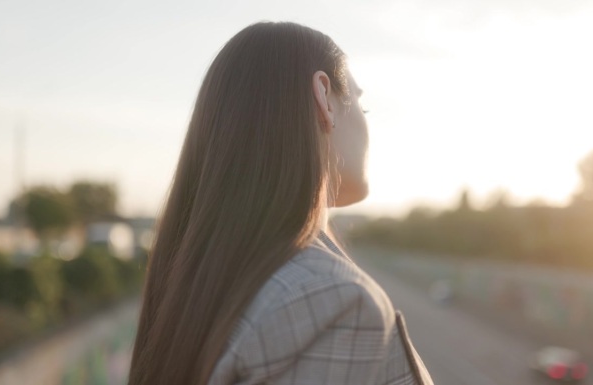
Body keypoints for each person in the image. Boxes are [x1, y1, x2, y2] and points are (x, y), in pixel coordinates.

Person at [128, 21, 434, 385]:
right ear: (323, 97)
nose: (367, 128)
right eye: (362, 107)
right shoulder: (331, 303)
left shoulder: (208, 283)